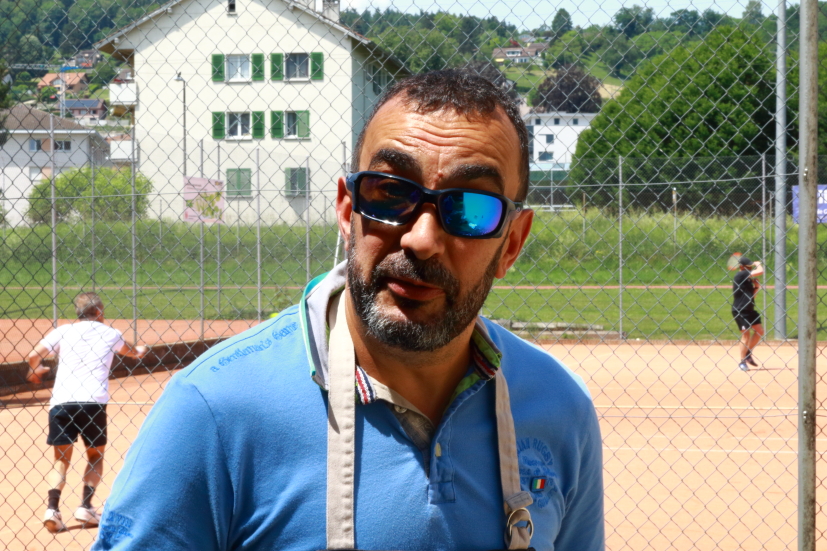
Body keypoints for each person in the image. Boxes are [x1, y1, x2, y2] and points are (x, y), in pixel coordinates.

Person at [92, 70, 604, 551]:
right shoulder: (215, 410)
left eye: (470, 207)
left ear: (512, 243)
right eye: (390, 192)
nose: (421, 239)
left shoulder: (560, 408)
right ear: (346, 210)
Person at [26, 292, 147, 533]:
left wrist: (35, 369)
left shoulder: (63, 331)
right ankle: (85, 505)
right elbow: (132, 352)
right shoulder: (110, 333)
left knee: (61, 459)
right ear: (99, 312)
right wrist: (141, 349)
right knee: (95, 455)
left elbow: (33, 355)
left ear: (78, 312)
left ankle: (52, 509)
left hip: (61, 402)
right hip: (93, 403)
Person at [732, 256, 764, 371]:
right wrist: (758, 264)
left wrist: (756, 287)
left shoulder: (747, 279)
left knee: (759, 331)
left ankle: (747, 353)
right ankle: (742, 362)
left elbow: (751, 296)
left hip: (749, 309)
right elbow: (760, 271)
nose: (750, 269)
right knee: (746, 334)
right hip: (740, 310)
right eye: (748, 267)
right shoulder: (741, 275)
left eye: (750, 267)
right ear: (741, 267)